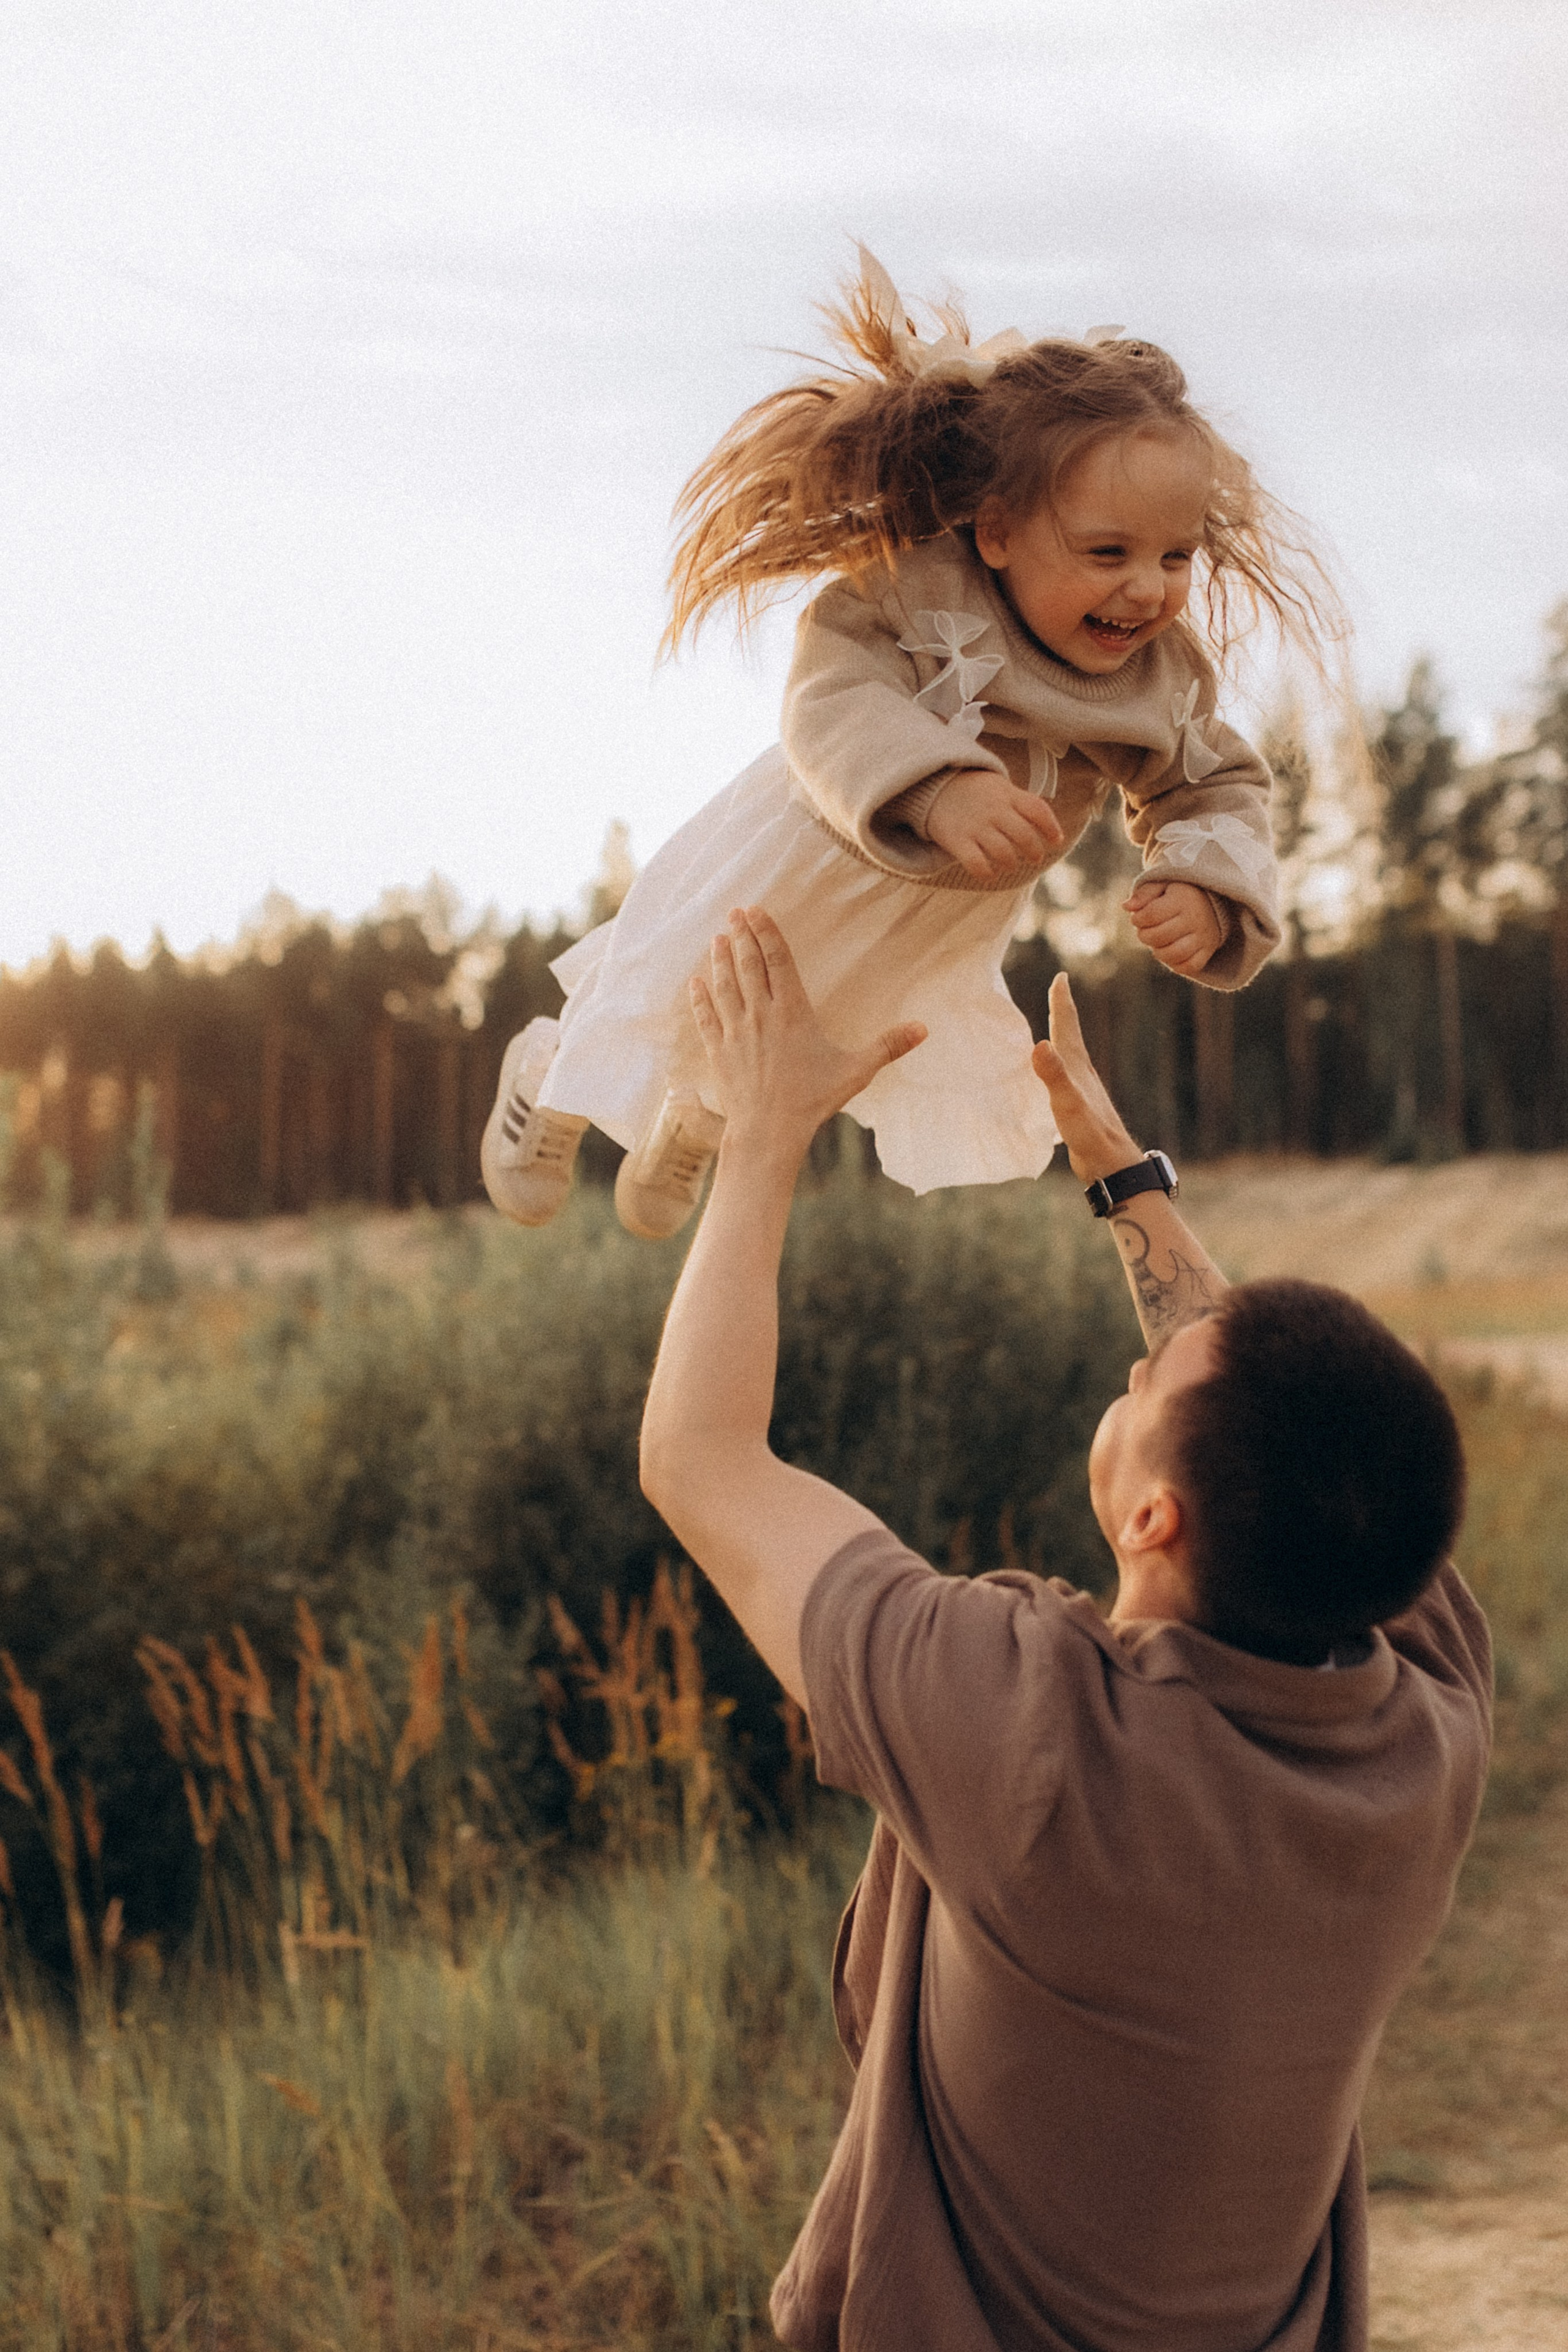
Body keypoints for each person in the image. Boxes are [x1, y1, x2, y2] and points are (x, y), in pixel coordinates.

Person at [638, 907, 1491, 2352]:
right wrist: (1121, 1176)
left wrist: (765, 1132)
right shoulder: (1425, 1740)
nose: (1136, 1365)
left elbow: (699, 1457)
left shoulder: (1034, 1743)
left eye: (1151, 1382)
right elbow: (1295, 1438)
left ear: (1150, 1517)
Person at [483, 247, 1338, 1242]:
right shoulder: (922, 589)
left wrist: (1205, 886)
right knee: (678, 987)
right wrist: (938, 790)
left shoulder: (1157, 679)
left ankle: (699, 1123)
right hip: (800, 859)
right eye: (1108, 552)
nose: (1147, 588)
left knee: (814, 1036)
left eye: (1176, 556)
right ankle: (549, 1076)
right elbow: (831, 687)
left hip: (927, 929)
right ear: (999, 531)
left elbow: (1214, 784)